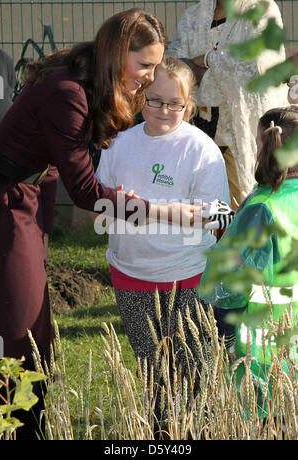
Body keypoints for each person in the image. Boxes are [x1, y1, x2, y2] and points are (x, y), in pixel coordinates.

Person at [0, 8, 190, 440]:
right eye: (144, 64)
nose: (149, 75)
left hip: (28, 197)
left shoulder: (87, 74)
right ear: (118, 53)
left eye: (156, 65)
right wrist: (157, 211)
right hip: (6, 201)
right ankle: (16, 425)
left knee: (35, 323)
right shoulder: (68, 92)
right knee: (19, 326)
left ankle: (33, 420)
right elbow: (85, 192)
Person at [96, 55, 230, 437]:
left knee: (192, 378)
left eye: (174, 103)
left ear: (189, 105)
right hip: (130, 275)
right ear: (141, 98)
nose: (163, 110)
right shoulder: (119, 142)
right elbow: (99, 206)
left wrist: (151, 210)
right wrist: (118, 206)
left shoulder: (201, 150)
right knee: (153, 373)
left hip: (186, 278)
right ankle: (160, 437)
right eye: (154, 99)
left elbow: (218, 214)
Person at [199, 105, 298, 417]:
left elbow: (231, 282)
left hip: (256, 335)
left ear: (266, 144)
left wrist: (215, 315)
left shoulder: (262, 207)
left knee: (258, 415)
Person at [167, 0, 289, 209]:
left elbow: (256, 67)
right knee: (203, 206)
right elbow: (175, 67)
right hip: (198, 126)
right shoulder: (193, 16)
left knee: (243, 205)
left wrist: (204, 60)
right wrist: (215, 64)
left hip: (243, 130)